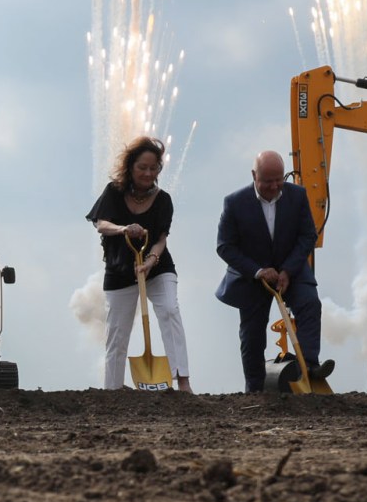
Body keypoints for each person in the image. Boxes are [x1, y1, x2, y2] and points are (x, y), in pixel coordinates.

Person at [214, 150, 333, 392]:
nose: (275, 186)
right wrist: (258, 271)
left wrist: (288, 271)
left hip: (292, 270)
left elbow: (308, 235)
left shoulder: (297, 195)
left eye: (279, 180)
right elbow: (225, 246)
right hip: (253, 277)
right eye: (268, 181)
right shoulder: (234, 203)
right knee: (252, 334)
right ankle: (255, 388)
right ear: (254, 176)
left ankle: (309, 367)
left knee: (310, 304)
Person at [87, 135, 192, 392]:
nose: (147, 173)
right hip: (120, 269)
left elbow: (161, 240)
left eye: (153, 168)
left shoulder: (163, 200)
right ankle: (112, 390)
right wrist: (124, 229)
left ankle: (183, 382)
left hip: (156, 267)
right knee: (117, 330)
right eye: (141, 168)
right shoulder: (114, 192)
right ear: (130, 167)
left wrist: (149, 262)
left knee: (169, 309)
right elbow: (101, 223)